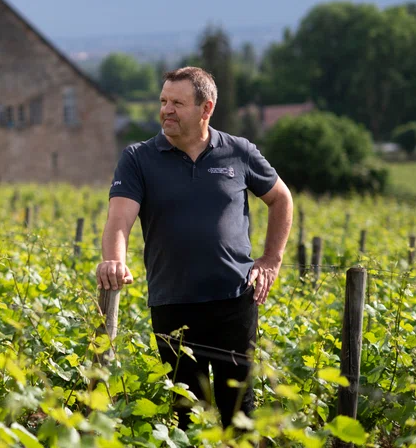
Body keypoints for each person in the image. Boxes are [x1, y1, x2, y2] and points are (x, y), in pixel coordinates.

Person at [95, 66, 293, 430]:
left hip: (234, 301)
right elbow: (119, 219)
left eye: (178, 103)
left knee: (239, 413)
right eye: (163, 101)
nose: (166, 110)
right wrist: (114, 260)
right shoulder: (138, 158)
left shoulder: (239, 152)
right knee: (186, 413)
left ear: (207, 108)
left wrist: (270, 260)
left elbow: (281, 199)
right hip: (173, 304)